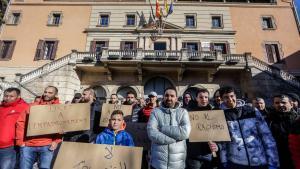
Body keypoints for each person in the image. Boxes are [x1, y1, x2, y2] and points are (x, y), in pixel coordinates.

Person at [218, 86, 279, 169]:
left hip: (259, 160)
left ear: (235, 96)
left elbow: (266, 137)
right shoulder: (219, 116)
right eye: (226, 97)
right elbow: (223, 143)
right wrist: (224, 162)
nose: (230, 99)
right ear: (221, 99)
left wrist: (273, 163)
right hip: (236, 162)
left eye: (232, 96)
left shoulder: (252, 110)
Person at [16, 86, 62, 169]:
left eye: (50, 93)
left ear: (55, 94)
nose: (46, 94)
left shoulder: (60, 108)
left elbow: (62, 127)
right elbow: (21, 123)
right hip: (28, 145)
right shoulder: (32, 106)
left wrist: (56, 141)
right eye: (45, 92)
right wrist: (20, 141)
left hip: (47, 145)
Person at [147, 87, 191, 169]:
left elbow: (185, 132)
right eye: (166, 95)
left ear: (176, 98)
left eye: (172, 96)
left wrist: (162, 128)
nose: (169, 98)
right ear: (163, 97)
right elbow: (152, 133)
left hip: (177, 164)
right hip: (158, 163)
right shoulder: (156, 112)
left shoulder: (183, 112)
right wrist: (174, 140)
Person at [186, 88, 218, 169]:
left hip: (207, 154)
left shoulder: (213, 112)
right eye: (201, 97)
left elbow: (218, 131)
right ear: (196, 98)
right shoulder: (189, 112)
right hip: (193, 154)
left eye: (206, 97)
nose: (204, 99)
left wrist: (217, 145)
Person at [0, 88, 28, 169]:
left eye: (11, 96)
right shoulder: (0, 107)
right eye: (6, 96)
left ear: (18, 96)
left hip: (10, 146)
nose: (7, 98)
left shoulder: (25, 107)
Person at [268, 94, 299, 169]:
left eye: (284, 102)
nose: (280, 105)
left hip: (296, 158)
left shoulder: (298, 120)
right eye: (277, 103)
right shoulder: (269, 120)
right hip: (278, 159)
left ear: (291, 104)